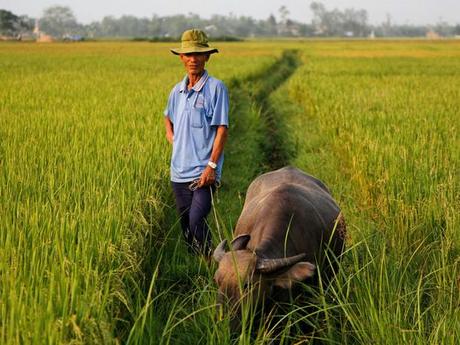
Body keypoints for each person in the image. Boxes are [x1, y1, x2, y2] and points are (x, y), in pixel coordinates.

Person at [163, 29, 229, 256]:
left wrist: (211, 166)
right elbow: (167, 118)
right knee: (187, 230)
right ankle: (196, 267)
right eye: (188, 54)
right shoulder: (176, 91)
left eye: (198, 54)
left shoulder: (216, 88)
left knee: (196, 220)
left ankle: (215, 262)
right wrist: (174, 139)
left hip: (203, 172)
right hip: (178, 172)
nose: (193, 59)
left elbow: (222, 129)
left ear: (207, 57)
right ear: (181, 57)